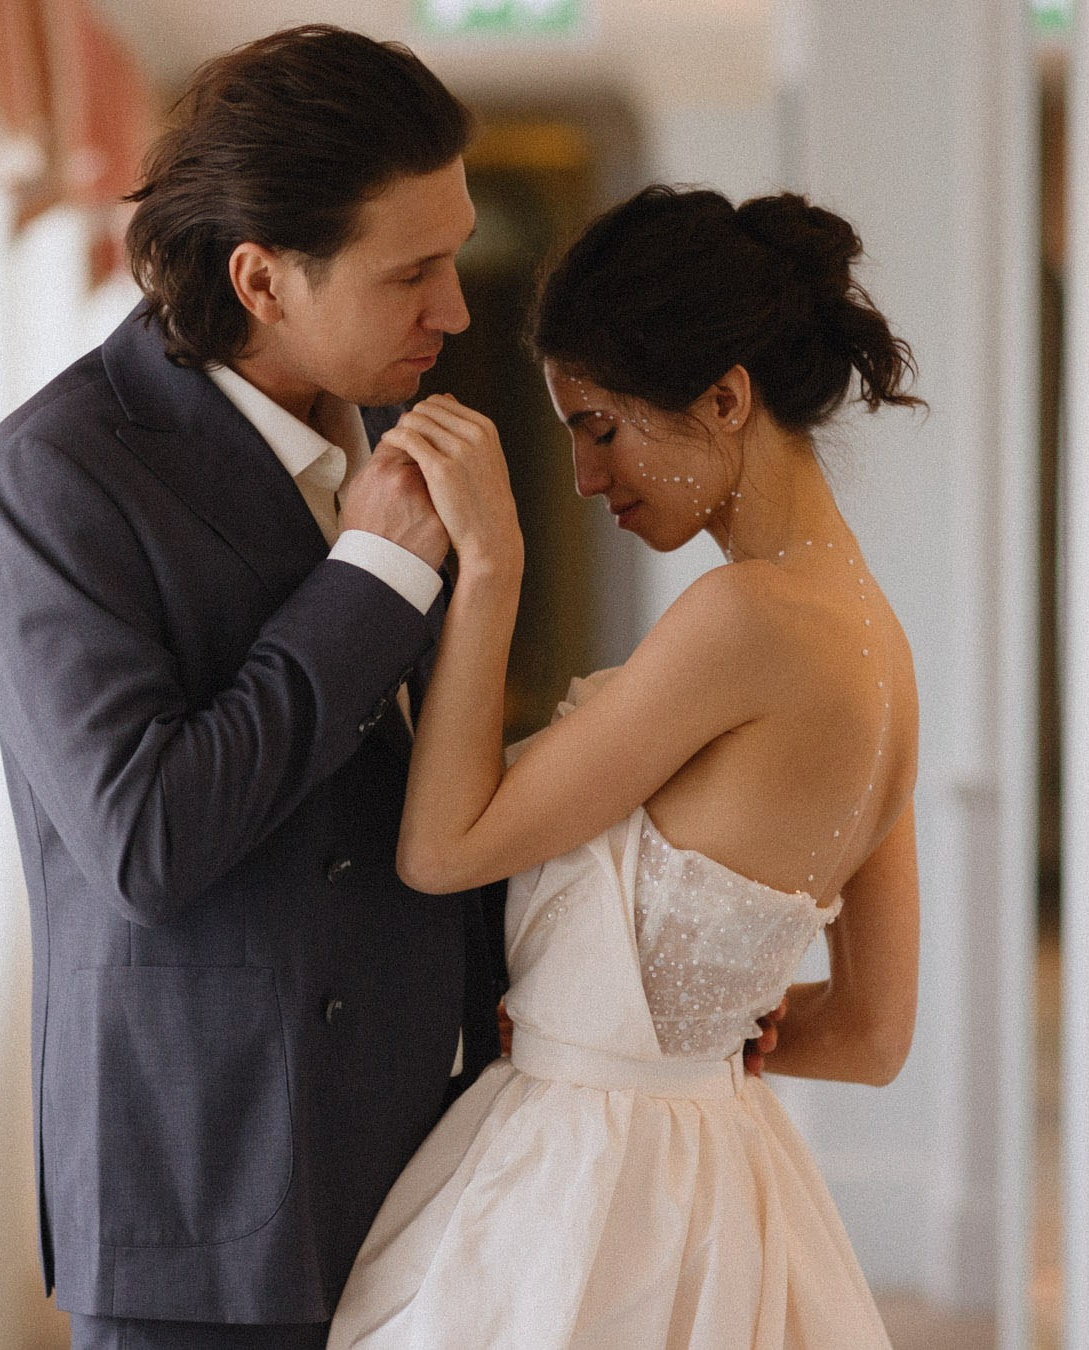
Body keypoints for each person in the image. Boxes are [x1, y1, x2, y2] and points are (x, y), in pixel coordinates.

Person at [0, 25, 513, 1350]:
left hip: (433, 1161)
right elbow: (148, 837)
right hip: (206, 1196)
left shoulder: (383, 425)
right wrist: (374, 571)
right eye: (415, 271)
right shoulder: (55, 475)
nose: (457, 310)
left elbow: (424, 782)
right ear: (263, 277)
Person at [326, 186, 924, 1349]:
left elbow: (442, 847)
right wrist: (694, 1023)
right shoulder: (877, 639)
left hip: (596, 1200)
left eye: (602, 425)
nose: (589, 477)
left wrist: (493, 562)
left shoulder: (745, 619)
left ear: (725, 398)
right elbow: (871, 1034)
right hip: (721, 1181)